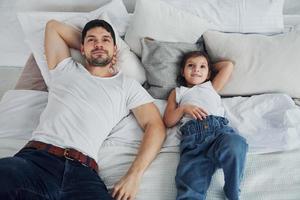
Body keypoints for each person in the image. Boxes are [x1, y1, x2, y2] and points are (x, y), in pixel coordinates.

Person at [0, 19, 166, 200]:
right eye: (91, 40)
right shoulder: (65, 69)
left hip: (83, 176)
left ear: (115, 48)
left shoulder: (127, 86)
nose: (99, 44)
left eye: (105, 40)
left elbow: (155, 126)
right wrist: (94, 45)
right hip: (36, 162)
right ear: (82, 48)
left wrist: (134, 176)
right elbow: (53, 27)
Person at [163, 51, 248, 200]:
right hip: (194, 142)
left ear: (209, 73)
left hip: (218, 132)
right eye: (191, 66)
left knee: (236, 144)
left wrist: (208, 68)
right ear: (182, 71)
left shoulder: (211, 86)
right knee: (189, 187)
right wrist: (183, 108)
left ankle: (232, 189)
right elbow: (168, 121)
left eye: (202, 67)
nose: (196, 70)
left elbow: (227, 66)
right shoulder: (177, 92)